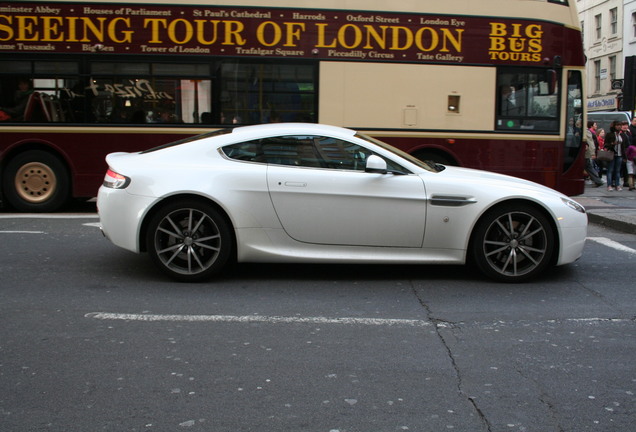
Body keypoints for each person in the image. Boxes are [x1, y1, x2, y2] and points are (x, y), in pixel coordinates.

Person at [604, 120, 627, 191]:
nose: (619, 126)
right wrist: (612, 144)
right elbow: (605, 145)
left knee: (618, 171)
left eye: (620, 125)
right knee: (610, 170)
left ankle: (617, 185)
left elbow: (624, 146)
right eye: (617, 125)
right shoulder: (610, 134)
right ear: (614, 126)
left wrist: (624, 156)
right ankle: (609, 185)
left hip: (619, 154)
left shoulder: (622, 135)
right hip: (612, 153)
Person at [584, 121, 604, 187]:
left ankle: (598, 181)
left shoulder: (587, 132)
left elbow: (590, 144)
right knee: (589, 167)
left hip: (586, 153)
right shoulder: (590, 132)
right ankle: (598, 180)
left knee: (589, 167)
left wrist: (592, 153)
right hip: (588, 153)